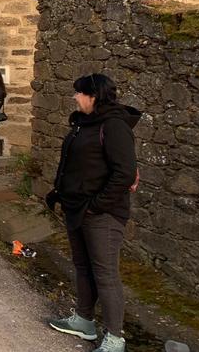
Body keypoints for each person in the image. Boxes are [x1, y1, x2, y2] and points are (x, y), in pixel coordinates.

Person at [46, 74, 139, 352]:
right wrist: (59, 193)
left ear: (93, 95)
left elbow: (123, 173)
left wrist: (97, 205)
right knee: (83, 266)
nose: (75, 97)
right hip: (77, 209)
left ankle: (114, 337)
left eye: (79, 93)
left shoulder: (114, 126)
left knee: (105, 273)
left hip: (103, 214)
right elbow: (75, 164)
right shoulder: (83, 123)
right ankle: (84, 321)